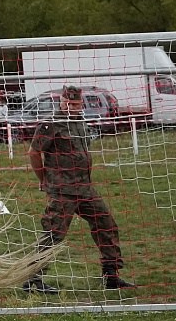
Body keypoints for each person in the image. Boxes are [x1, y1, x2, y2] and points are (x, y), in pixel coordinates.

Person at [23, 86, 135, 293]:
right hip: (62, 189)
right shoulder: (51, 124)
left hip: (84, 188)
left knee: (106, 224)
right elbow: (33, 152)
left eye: (76, 104)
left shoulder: (80, 122)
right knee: (53, 233)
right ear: (61, 101)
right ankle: (32, 279)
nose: (72, 107)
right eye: (69, 103)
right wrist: (44, 179)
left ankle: (111, 274)